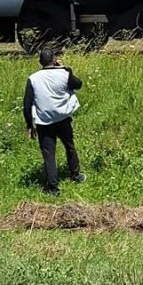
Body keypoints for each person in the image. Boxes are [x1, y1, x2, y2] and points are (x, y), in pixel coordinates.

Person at [23, 47, 85, 196]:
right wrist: (66, 69)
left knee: (49, 154)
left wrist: (30, 125)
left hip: (44, 122)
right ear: (54, 60)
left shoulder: (33, 79)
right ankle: (76, 175)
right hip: (63, 119)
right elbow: (78, 84)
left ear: (40, 62)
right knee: (69, 145)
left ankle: (53, 188)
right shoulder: (64, 74)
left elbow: (27, 105)